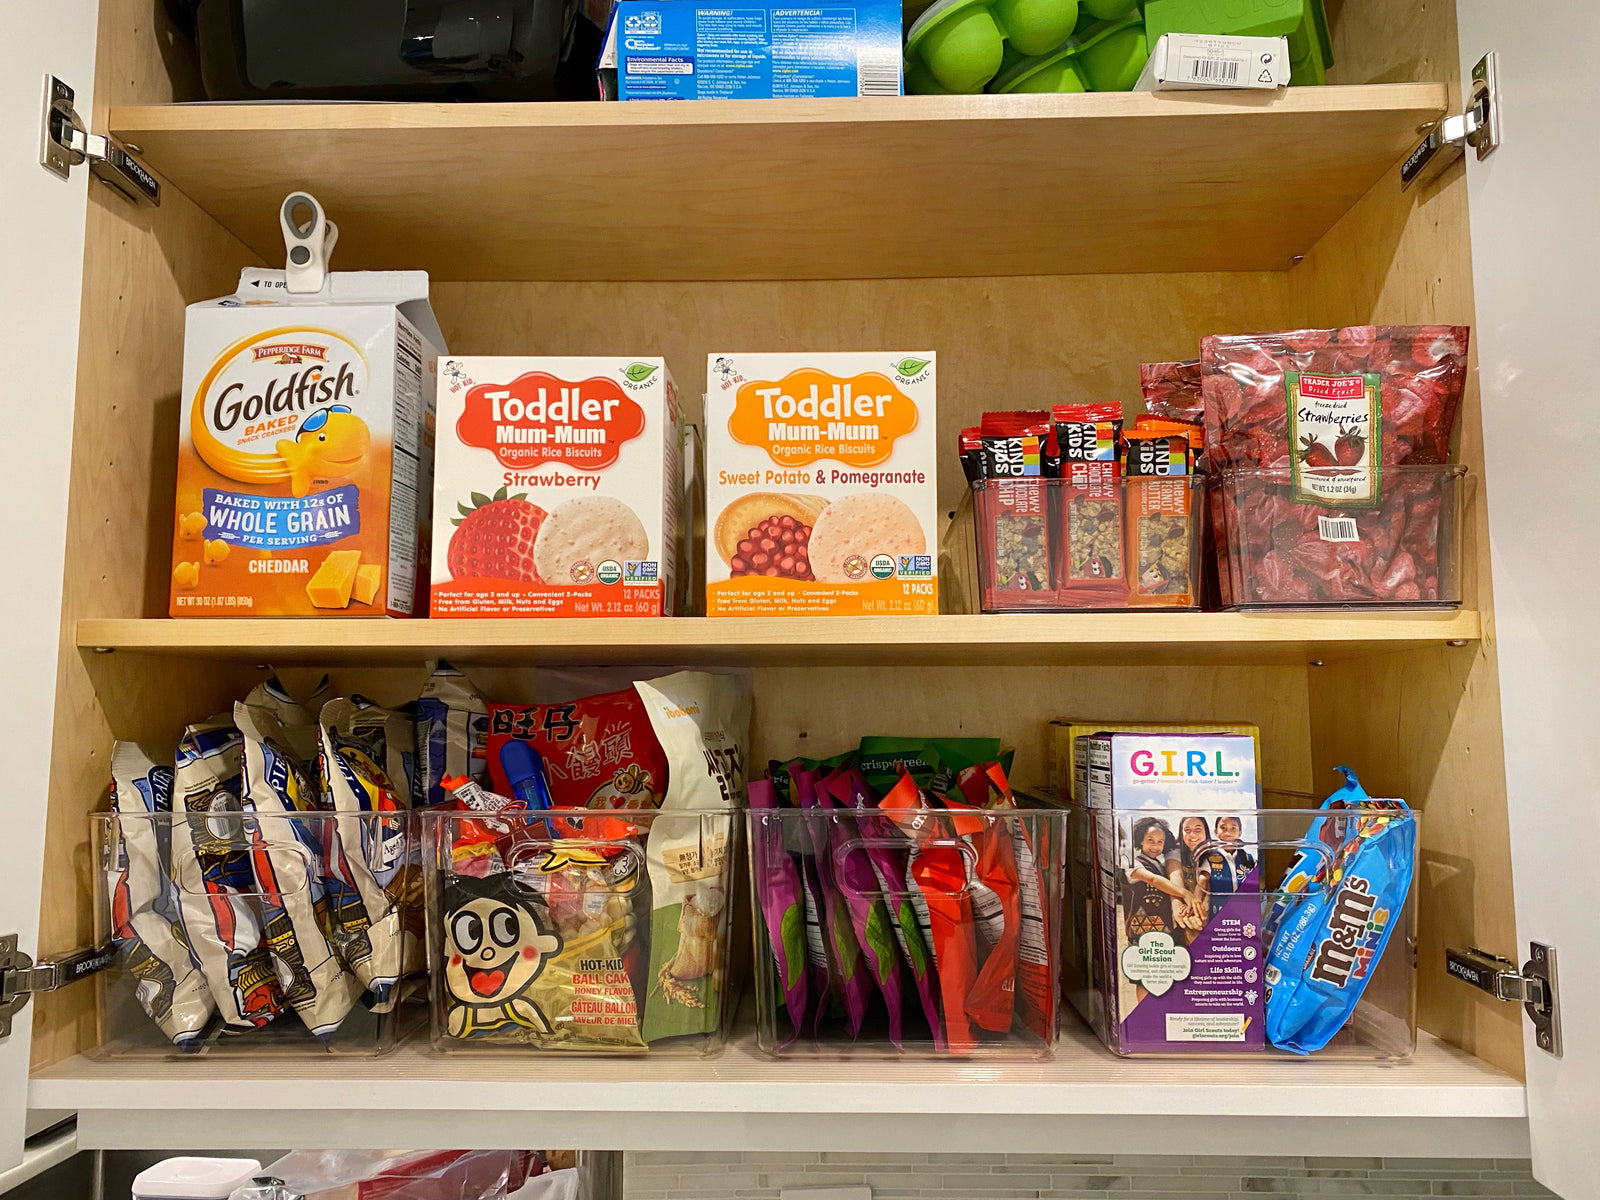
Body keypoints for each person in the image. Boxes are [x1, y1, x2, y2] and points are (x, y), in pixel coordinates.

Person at [1122, 816, 1187, 1002]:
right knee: (1143, 977)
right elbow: (1153, 880)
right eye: (1150, 840)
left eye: (1160, 842)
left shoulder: (1161, 864)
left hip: (1164, 929)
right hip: (1141, 930)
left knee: (1163, 976)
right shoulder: (1132, 863)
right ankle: (1143, 1018)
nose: (1155, 846)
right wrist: (1185, 894)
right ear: (1140, 839)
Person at [1201, 813, 1258, 920]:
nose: (1228, 833)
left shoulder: (1248, 858)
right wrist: (1196, 902)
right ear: (1216, 831)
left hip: (1244, 911)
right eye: (1223, 828)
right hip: (1218, 910)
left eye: (1233, 828)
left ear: (1240, 832)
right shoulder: (1210, 857)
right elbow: (1203, 880)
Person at [1174, 815, 1212, 943]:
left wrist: (1193, 905)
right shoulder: (1176, 854)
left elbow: (1203, 879)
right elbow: (1175, 876)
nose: (1192, 835)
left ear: (1206, 832)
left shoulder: (1214, 854)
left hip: (1205, 911)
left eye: (1197, 829)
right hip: (1185, 914)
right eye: (1187, 830)